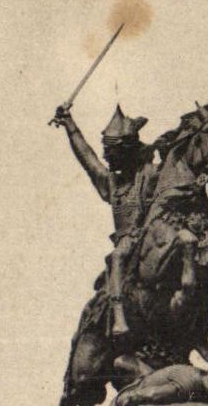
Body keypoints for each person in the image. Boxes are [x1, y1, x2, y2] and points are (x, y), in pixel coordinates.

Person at [53, 102, 157, 341]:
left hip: (148, 239)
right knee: (118, 256)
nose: (108, 160)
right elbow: (87, 157)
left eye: (113, 155)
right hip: (125, 244)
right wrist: (70, 124)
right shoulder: (111, 183)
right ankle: (118, 316)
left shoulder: (149, 174)